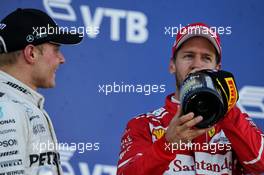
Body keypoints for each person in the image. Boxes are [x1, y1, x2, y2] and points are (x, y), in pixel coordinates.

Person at [117, 23, 264, 174]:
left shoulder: (233, 120)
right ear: (172, 65)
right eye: (189, 56)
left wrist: (226, 110)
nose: (197, 65)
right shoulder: (144, 124)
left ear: (217, 69)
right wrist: (167, 144)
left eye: (206, 58)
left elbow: (260, 164)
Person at [0, 8, 82, 174]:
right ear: (31, 53)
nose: (62, 59)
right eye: (56, 50)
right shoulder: (8, 108)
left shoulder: (21, 104)